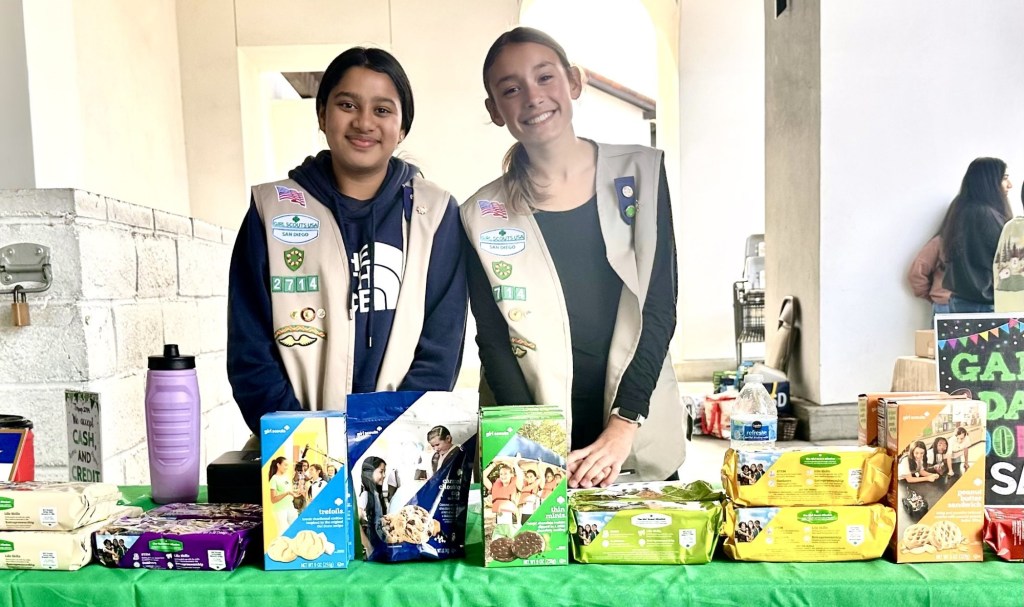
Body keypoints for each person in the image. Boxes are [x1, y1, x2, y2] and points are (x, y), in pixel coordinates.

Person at [461, 27, 685, 489]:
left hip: (634, 429)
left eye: (544, 78)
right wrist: (534, 445)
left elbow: (659, 307)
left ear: (574, 83)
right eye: (510, 89)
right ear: (495, 110)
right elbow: (495, 341)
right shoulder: (481, 214)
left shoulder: (639, 173)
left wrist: (624, 426)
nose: (532, 97)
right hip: (535, 439)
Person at [227, 47, 468, 438]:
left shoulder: (436, 214)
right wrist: (303, 441)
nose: (364, 122)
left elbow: (440, 350)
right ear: (322, 114)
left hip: (397, 449)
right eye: (347, 104)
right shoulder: (270, 212)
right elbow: (250, 352)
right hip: (298, 455)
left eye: (382, 110)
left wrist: (387, 440)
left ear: (402, 126)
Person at [939, 157, 1013, 313]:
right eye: (1004, 178)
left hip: (962, 301)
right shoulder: (984, 214)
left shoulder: (962, 209)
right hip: (983, 305)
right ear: (989, 181)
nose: (1009, 185)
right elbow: (1008, 259)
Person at [908, 235, 952, 315]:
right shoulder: (941, 241)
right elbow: (917, 273)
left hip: (947, 302)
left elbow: (918, 272)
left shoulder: (941, 241)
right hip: (946, 304)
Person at [358, 456, 389, 546]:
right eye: (381, 471)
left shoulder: (378, 495)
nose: (384, 475)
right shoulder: (365, 495)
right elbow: (356, 522)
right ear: (369, 473)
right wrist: (368, 546)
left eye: (384, 471)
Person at [268, 456, 300, 529]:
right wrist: (287, 493)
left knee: (294, 529)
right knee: (283, 532)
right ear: (278, 465)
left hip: (290, 507)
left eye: (287, 465)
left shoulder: (286, 477)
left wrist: (295, 492)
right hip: (280, 510)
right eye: (285, 465)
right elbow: (273, 499)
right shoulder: (274, 479)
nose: (287, 467)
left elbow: (289, 491)